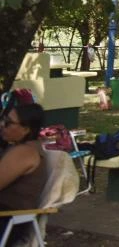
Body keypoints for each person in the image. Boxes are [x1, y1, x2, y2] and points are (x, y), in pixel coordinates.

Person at [0, 103, 48, 242]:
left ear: (26, 129)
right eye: (3, 119)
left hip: (8, 220)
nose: (2, 124)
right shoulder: (20, 147)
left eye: (8, 122)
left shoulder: (24, 152)